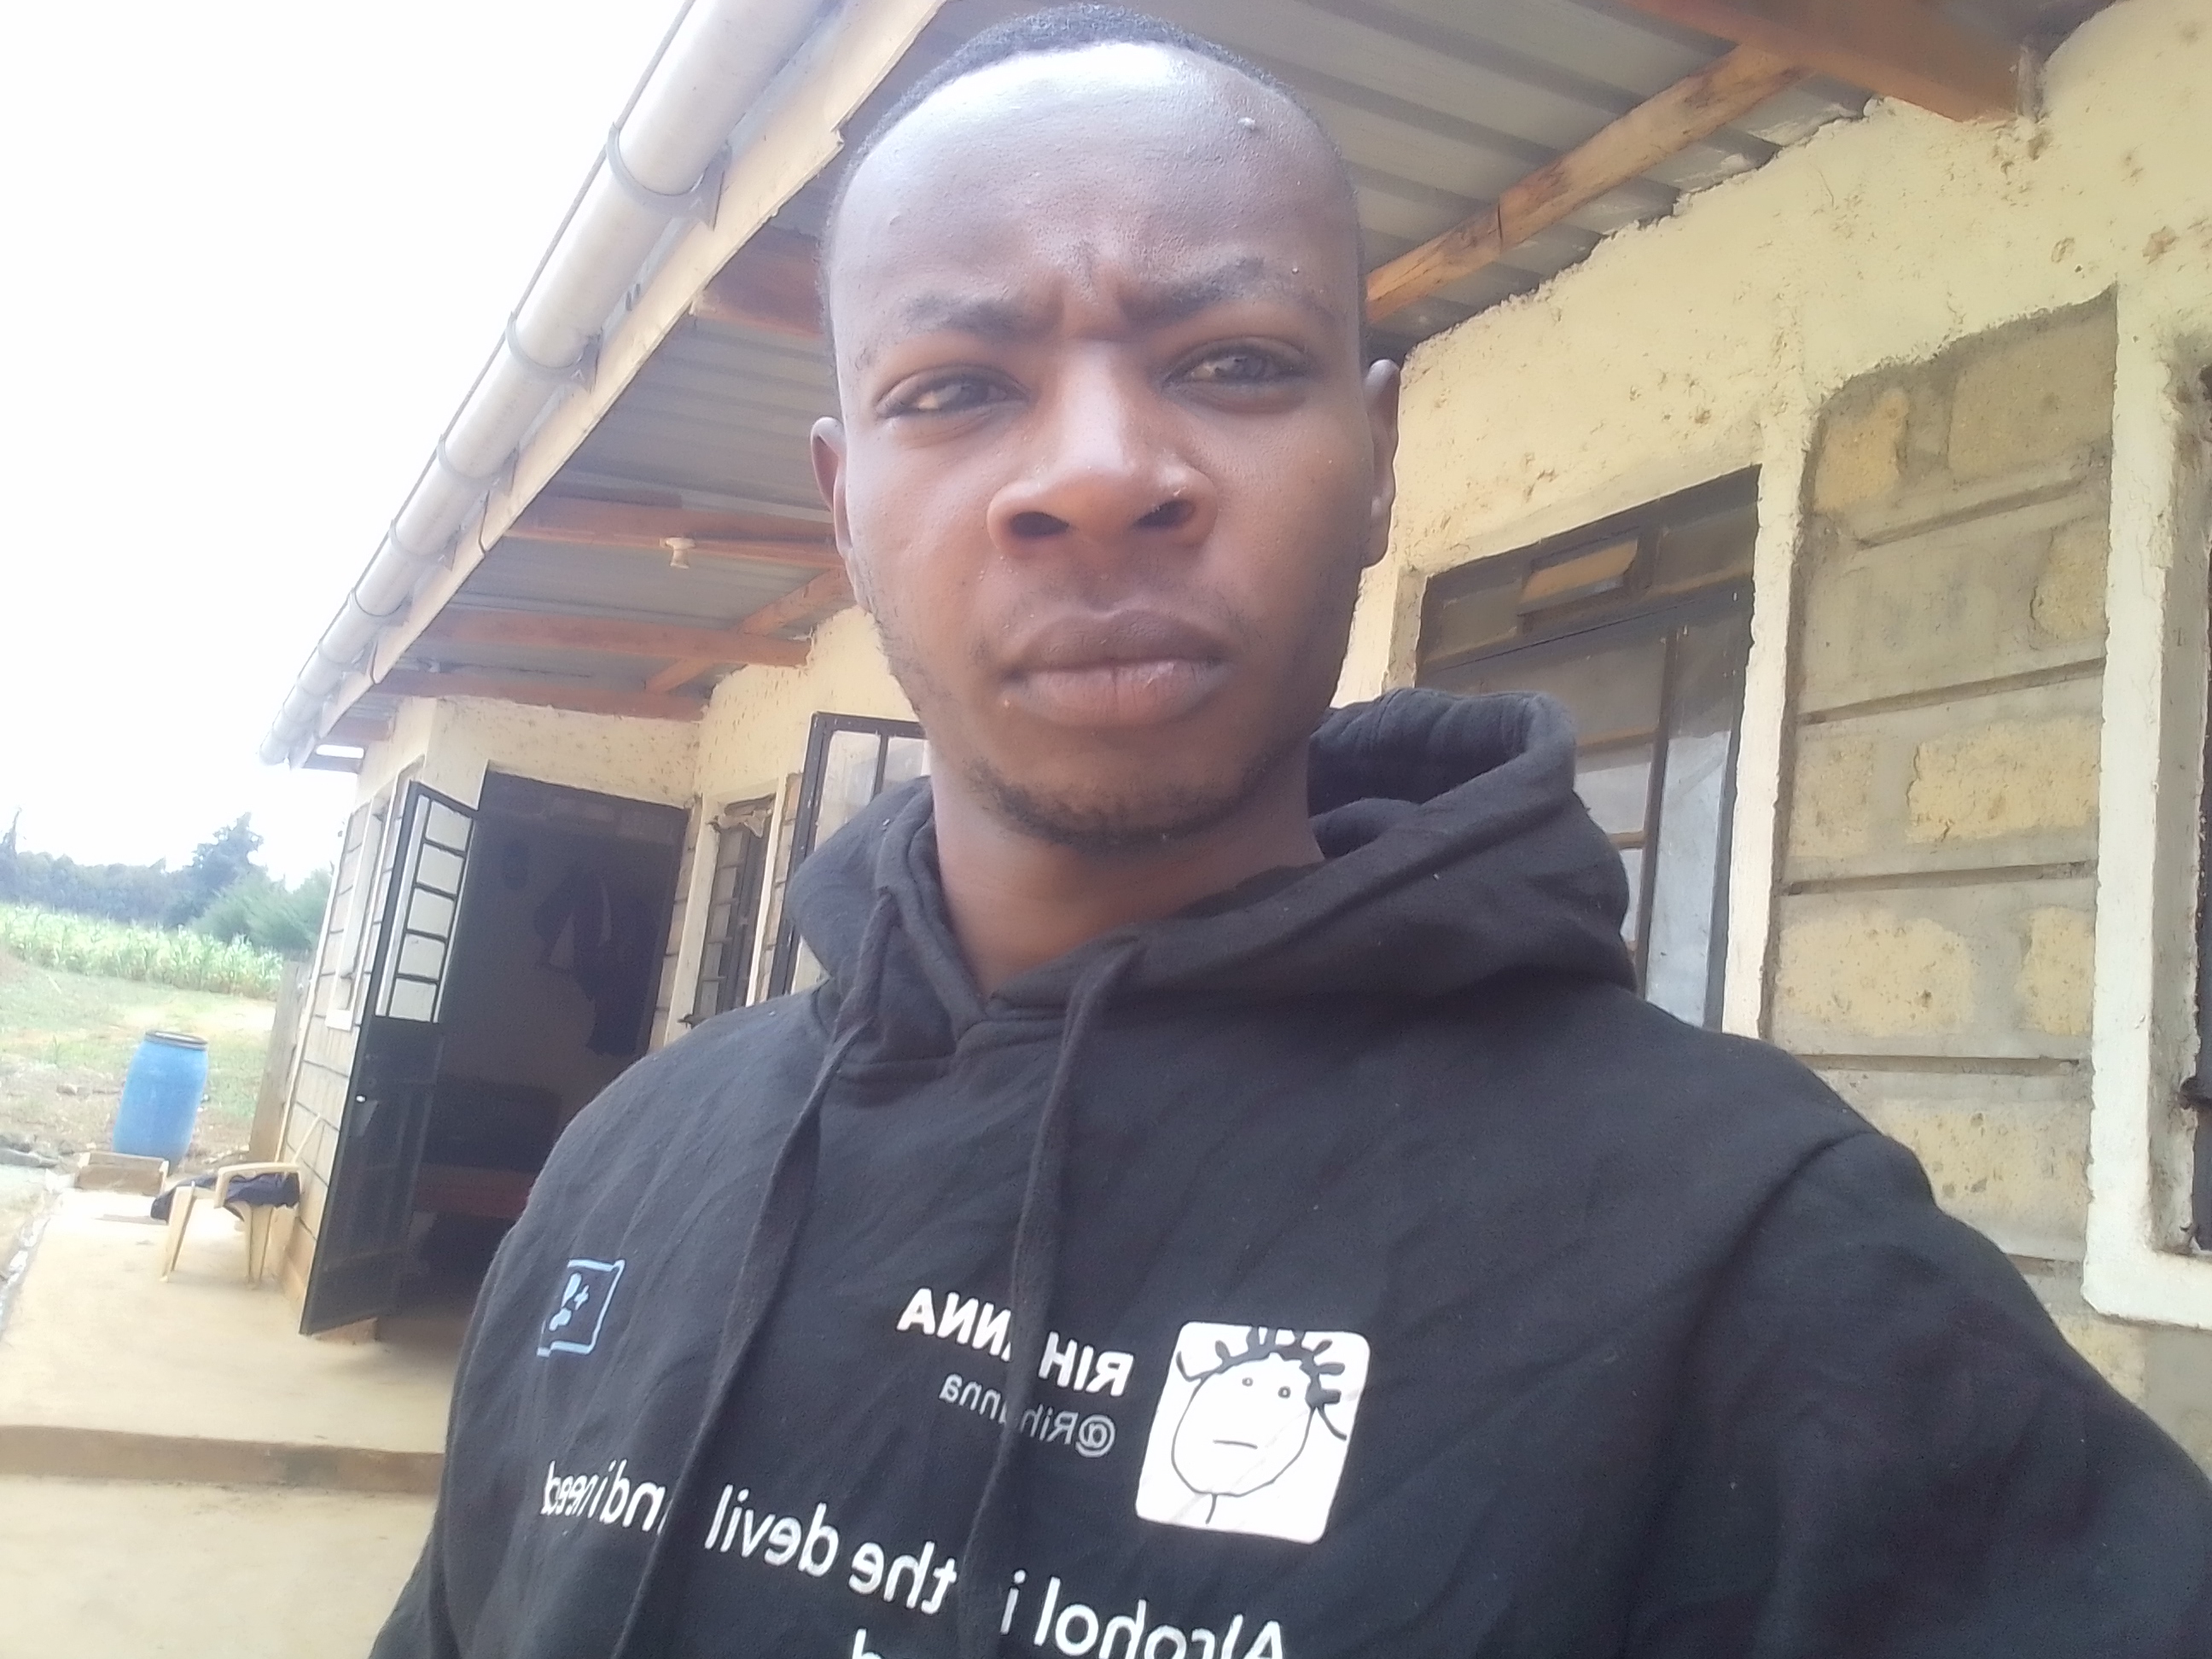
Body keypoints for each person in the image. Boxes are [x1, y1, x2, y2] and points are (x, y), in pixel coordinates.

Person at [374, 9, 2212, 1656]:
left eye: (1235, 361)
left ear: (1379, 456)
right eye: (957, 388)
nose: (1100, 473)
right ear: (845, 505)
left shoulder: (1762, 1271)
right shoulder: (634, 1165)